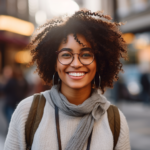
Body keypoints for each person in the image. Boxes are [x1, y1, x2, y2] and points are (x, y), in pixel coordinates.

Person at [4, 10, 130, 150]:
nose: (76, 63)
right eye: (66, 55)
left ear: (99, 62)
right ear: (54, 62)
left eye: (86, 54)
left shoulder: (115, 120)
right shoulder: (27, 111)